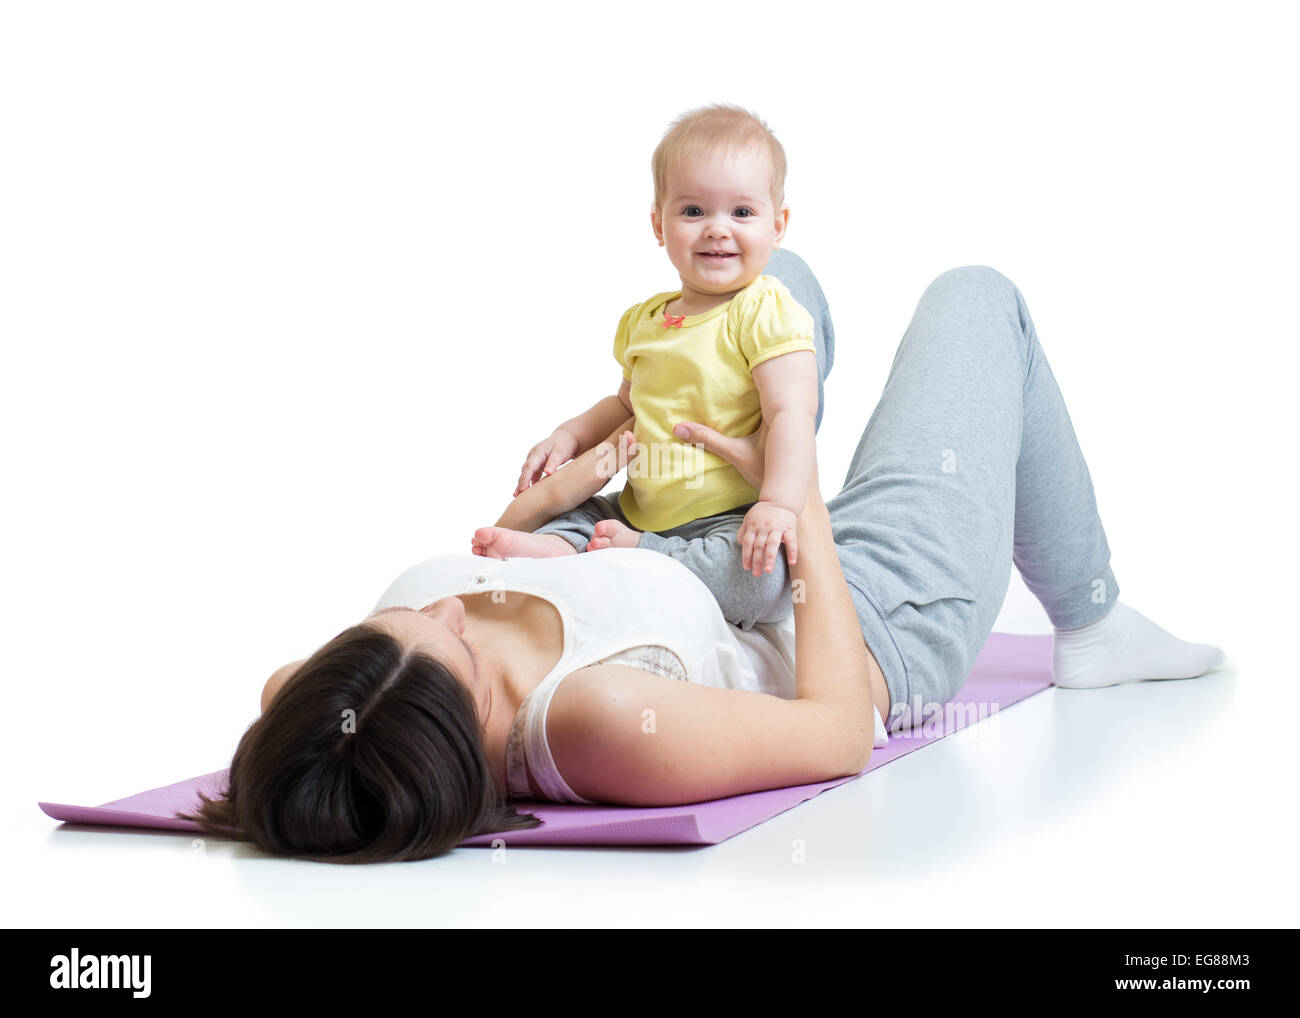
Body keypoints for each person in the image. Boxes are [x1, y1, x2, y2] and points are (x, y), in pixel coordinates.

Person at [177, 258, 1226, 864]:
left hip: (679, 540)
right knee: (975, 299)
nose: (453, 611)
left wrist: (550, 492)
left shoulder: (363, 683)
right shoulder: (594, 726)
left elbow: (303, 694)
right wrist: (795, 494)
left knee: (768, 283)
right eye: (464, 651)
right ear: (476, 740)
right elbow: (834, 732)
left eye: (417, 619)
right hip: (842, 614)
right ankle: (1091, 623)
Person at [473, 104, 825, 630]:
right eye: (693, 212)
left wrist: (776, 504)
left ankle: (635, 555)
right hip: (637, 506)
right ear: (659, 224)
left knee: (760, 581)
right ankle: (566, 549)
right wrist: (569, 435)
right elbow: (623, 404)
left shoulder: (762, 310)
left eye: (742, 213)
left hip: (724, 517)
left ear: (779, 225)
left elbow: (792, 412)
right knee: (580, 514)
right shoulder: (646, 319)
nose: (717, 230)